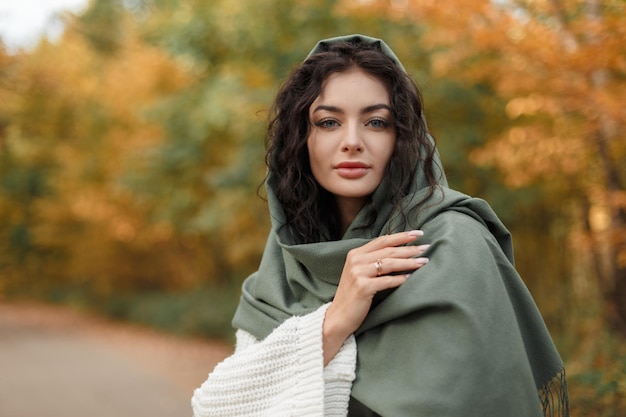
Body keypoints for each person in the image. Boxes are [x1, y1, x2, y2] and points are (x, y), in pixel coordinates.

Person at [191, 34, 569, 417]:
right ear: (300, 139)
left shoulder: (453, 243)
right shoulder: (285, 263)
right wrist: (334, 320)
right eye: (328, 122)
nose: (352, 141)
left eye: (375, 122)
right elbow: (221, 405)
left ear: (404, 137)